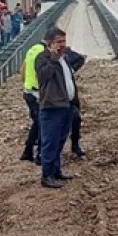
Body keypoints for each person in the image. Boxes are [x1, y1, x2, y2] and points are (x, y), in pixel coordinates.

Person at [34, 28, 75, 188]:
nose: (62, 45)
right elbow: (43, 76)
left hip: (66, 105)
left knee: (59, 141)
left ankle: (56, 170)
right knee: (50, 143)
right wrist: (53, 58)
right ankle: (47, 175)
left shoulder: (64, 58)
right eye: (59, 42)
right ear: (50, 43)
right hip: (52, 107)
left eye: (64, 41)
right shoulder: (43, 58)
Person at [19, 40, 46, 163]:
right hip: (37, 93)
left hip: (28, 91)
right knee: (43, 123)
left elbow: (22, 69)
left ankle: (28, 151)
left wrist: (25, 85)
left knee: (37, 123)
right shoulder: (44, 53)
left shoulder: (32, 49)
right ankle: (39, 154)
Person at [63, 47, 87, 159]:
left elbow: (80, 58)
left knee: (76, 119)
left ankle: (75, 145)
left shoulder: (65, 56)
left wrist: (72, 69)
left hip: (71, 98)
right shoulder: (46, 59)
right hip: (55, 99)